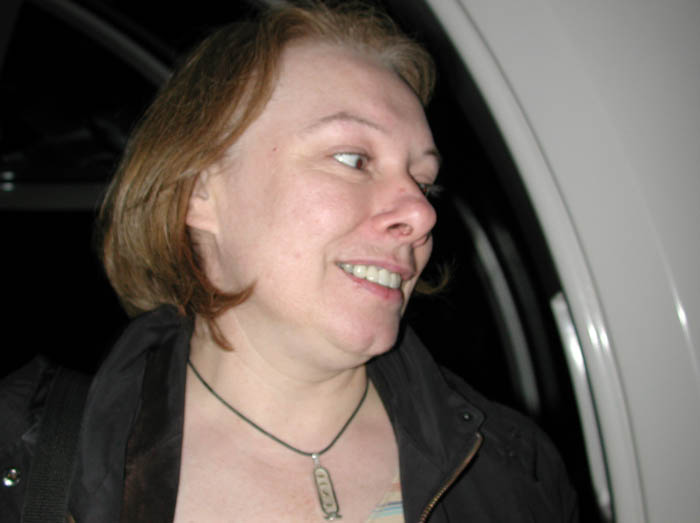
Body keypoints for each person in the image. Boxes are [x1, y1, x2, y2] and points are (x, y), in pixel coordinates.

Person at [0, 2, 578, 521]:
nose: (421, 214)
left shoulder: (512, 467)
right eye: (352, 159)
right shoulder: (24, 458)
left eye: (423, 182)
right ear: (200, 192)